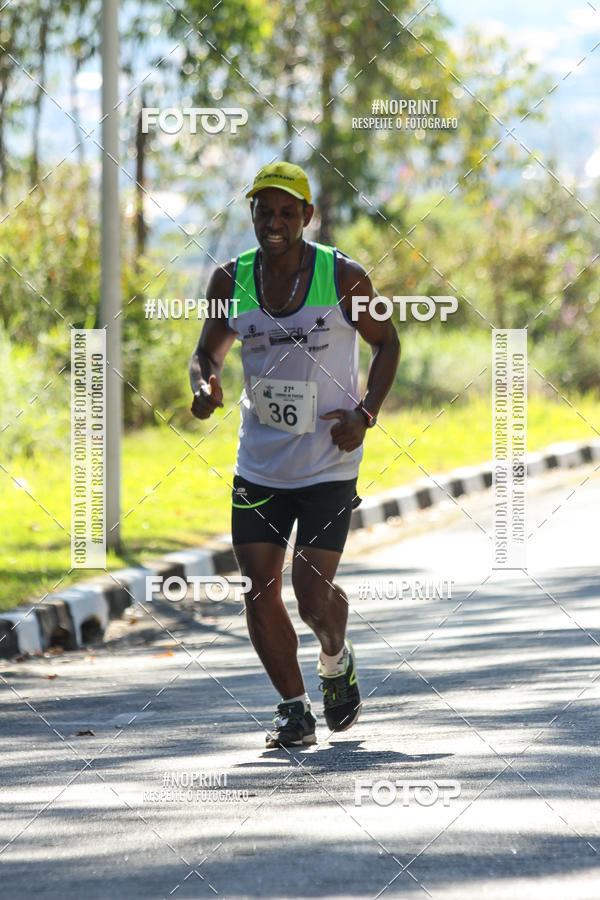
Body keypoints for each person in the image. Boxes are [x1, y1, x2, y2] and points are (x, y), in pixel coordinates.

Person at [190, 161, 400, 748]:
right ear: (252, 214)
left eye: (288, 212)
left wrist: (366, 413)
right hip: (259, 465)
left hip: (328, 462)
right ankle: (292, 709)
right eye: (265, 212)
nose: (275, 223)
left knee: (311, 597)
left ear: (307, 216)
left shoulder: (344, 277)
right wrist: (204, 384)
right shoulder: (230, 281)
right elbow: (207, 353)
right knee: (258, 588)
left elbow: (387, 344)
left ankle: (335, 656)